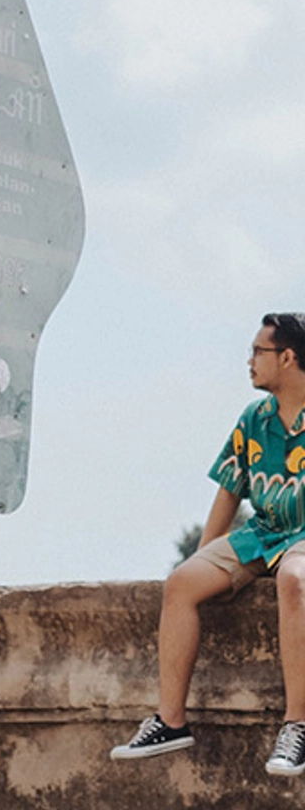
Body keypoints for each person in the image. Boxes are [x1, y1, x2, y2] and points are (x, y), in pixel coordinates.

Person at [111, 312, 305, 776]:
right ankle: (171, 722)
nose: (249, 362)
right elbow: (229, 491)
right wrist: (206, 559)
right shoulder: (253, 418)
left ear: (288, 356)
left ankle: (298, 725)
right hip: (263, 533)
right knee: (181, 582)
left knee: (295, 582)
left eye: (258, 352)